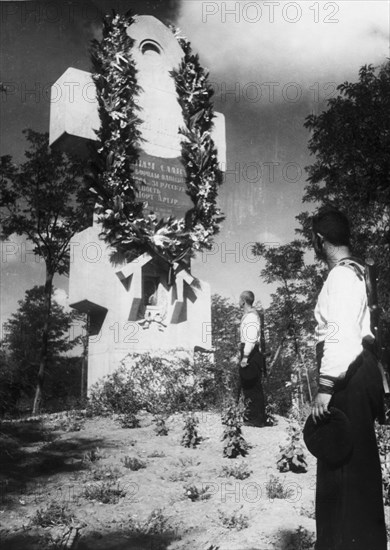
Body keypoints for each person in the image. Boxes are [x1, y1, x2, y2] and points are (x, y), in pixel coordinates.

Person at [310, 207, 386, 550]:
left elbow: (340, 337)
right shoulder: (359, 272)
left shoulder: (340, 277)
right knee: (359, 465)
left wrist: (325, 387)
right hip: (361, 372)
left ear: (319, 239)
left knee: (341, 470)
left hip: (347, 377)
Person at [235, 290, 267, 427]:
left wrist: (245, 357)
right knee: (249, 386)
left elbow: (251, 338)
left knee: (252, 386)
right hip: (248, 351)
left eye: (239, 299)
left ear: (243, 301)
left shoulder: (251, 317)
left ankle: (256, 419)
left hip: (251, 353)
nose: (238, 302)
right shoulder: (248, 316)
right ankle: (254, 417)